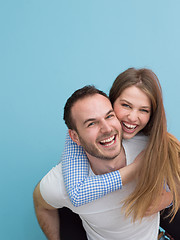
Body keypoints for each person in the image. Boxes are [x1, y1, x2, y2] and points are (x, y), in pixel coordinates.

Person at [33, 85, 165, 240]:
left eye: (109, 116)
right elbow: (40, 203)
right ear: (74, 137)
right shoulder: (62, 183)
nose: (107, 129)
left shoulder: (149, 147)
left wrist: (169, 198)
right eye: (91, 123)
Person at [61, 68, 180, 222]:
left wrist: (169, 198)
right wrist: (135, 168)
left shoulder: (159, 140)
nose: (132, 117)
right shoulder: (82, 135)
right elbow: (77, 193)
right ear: (111, 101)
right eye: (126, 106)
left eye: (144, 110)